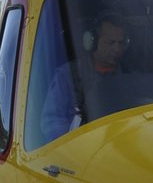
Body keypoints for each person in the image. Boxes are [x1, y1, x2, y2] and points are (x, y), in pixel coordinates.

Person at [40, 11, 130, 140]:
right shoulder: (67, 75)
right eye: (110, 43)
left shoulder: (129, 76)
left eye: (121, 43)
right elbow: (50, 122)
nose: (117, 49)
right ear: (92, 41)